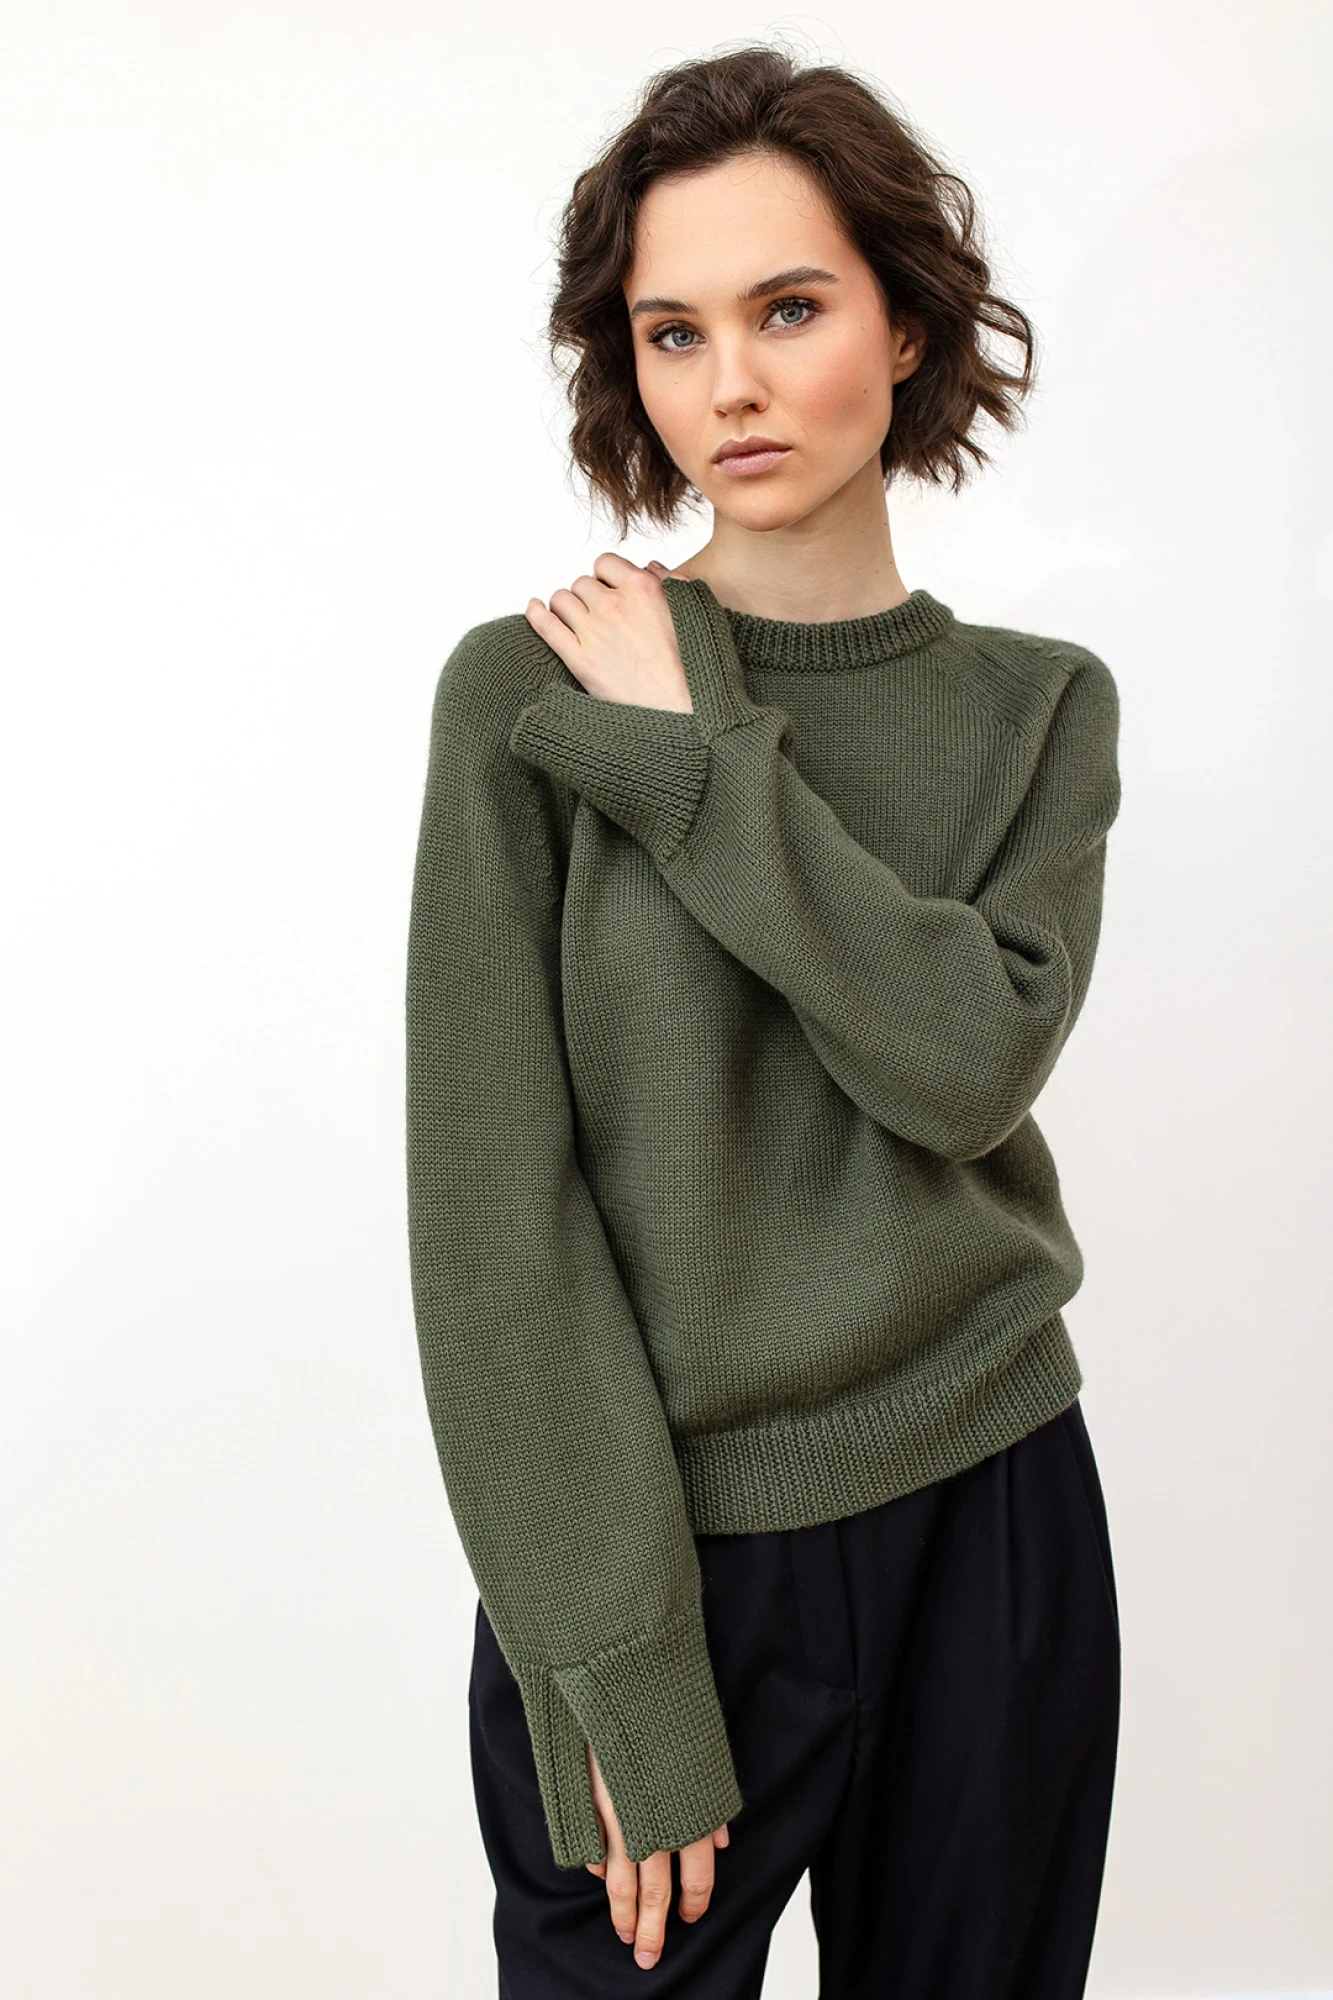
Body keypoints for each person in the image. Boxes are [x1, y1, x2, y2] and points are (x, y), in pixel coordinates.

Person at [405, 43, 1122, 1999]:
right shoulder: (524, 699)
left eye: (788, 309)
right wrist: (611, 1652)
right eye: (673, 331)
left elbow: (961, 1069)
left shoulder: (1041, 711)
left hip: (994, 1513)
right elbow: (494, 1226)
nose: (728, 382)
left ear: (907, 326)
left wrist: (707, 760)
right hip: (662, 1556)